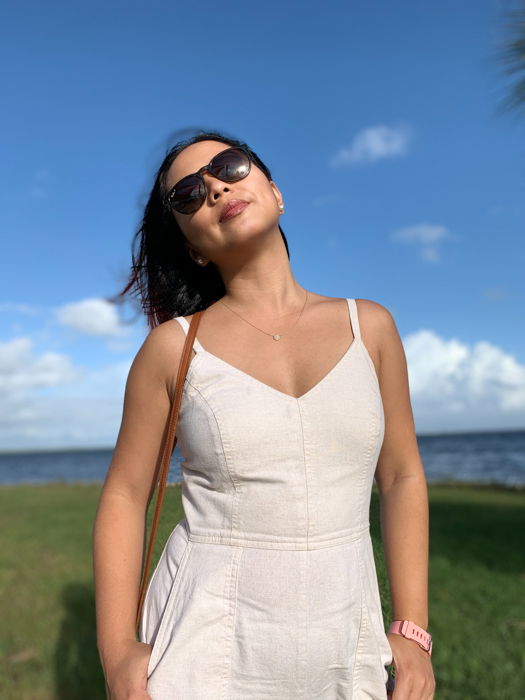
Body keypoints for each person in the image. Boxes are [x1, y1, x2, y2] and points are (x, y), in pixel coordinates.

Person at [93, 129, 435, 699]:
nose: (214, 186)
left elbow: (402, 477)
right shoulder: (172, 348)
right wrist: (117, 652)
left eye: (230, 166)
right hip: (201, 639)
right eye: (186, 195)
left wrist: (412, 630)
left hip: (347, 638)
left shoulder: (369, 327)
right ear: (192, 246)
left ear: (275, 192)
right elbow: (125, 496)